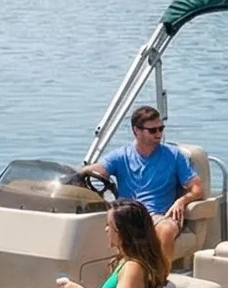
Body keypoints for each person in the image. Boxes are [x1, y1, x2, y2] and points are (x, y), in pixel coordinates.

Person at [85, 105, 203, 260]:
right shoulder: (121, 156)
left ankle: (160, 279)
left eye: (161, 129)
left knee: (166, 229)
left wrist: (182, 201)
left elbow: (197, 188)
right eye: (153, 130)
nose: (159, 134)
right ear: (136, 131)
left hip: (158, 215)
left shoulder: (174, 156)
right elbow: (92, 171)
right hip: (129, 215)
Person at [57, 199, 171, 288]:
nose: (106, 229)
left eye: (109, 225)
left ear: (122, 233)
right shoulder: (127, 261)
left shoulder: (133, 267)